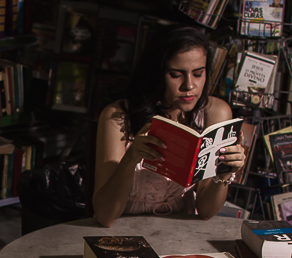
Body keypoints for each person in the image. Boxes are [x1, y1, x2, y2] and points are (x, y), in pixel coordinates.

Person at [92, 25, 246, 227]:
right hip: (123, 235)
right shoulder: (118, 117)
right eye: (176, 75)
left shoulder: (215, 113)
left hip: (180, 238)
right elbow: (105, 216)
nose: (189, 86)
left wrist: (224, 173)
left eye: (198, 74)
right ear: (156, 73)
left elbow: (207, 212)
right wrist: (130, 160)